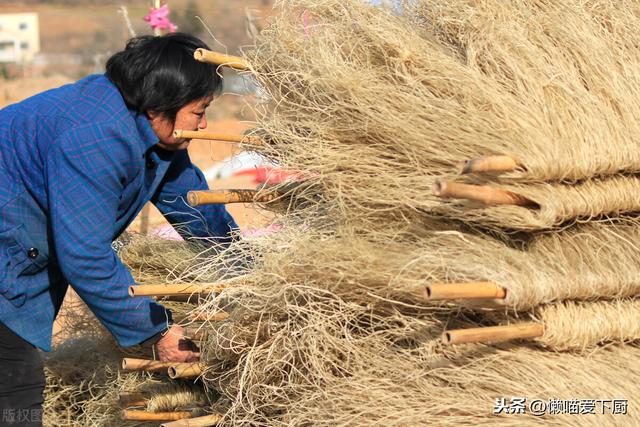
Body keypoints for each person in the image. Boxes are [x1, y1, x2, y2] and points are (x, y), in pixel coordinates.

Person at [0, 33, 238, 425]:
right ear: (165, 102)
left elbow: (191, 202)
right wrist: (159, 332)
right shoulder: (94, 138)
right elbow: (85, 255)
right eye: (200, 111)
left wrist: (246, 270)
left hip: (15, 248)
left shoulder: (153, 124)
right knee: (15, 392)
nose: (205, 123)